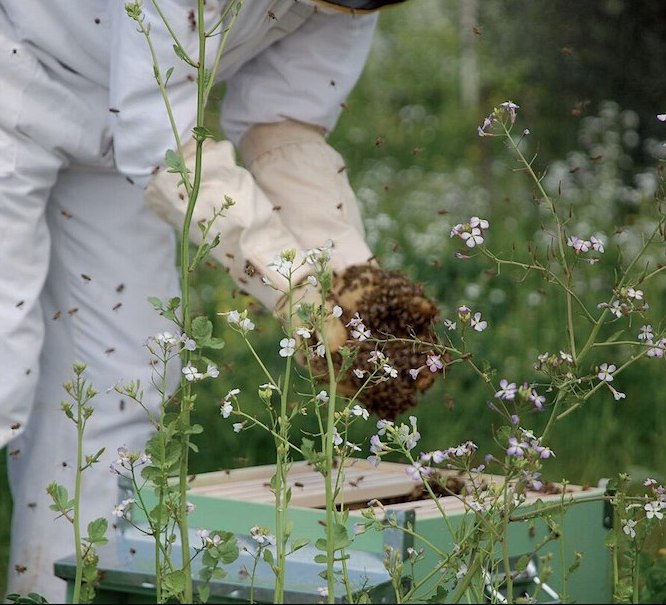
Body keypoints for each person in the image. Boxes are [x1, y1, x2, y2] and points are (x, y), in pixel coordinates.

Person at [0, 0, 437, 599]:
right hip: (15, 67)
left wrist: (352, 284)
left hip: (118, 132)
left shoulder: (349, 3)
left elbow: (281, 127)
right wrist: (300, 298)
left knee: (121, 385)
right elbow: (168, 154)